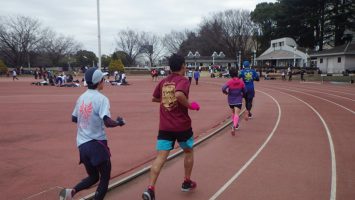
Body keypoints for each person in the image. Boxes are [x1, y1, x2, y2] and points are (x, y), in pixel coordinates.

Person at [59, 67, 125, 200]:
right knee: (105, 178)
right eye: (103, 79)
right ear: (99, 81)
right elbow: (107, 122)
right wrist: (119, 123)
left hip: (82, 145)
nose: (104, 81)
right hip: (97, 144)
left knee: (94, 176)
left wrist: (87, 121)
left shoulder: (81, 97)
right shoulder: (102, 99)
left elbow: (74, 118)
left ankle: (71, 192)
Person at [142, 54, 200, 200]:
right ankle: (186, 181)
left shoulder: (163, 81)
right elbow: (180, 95)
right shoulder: (183, 80)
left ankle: (150, 189)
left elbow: (154, 98)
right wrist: (190, 106)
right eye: (185, 65)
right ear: (182, 66)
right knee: (188, 151)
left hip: (165, 127)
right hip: (182, 126)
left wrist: (166, 99)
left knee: (160, 157)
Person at [222, 67, 247, 135]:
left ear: (230, 74)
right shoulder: (241, 82)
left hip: (231, 100)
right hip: (238, 99)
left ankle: (235, 124)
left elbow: (223, 88)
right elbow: (245, 90)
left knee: (233, 113)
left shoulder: (229, 82)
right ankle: (234, 125)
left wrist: (225, 92)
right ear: (237, 73)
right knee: (237, 114)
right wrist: (243, 94)